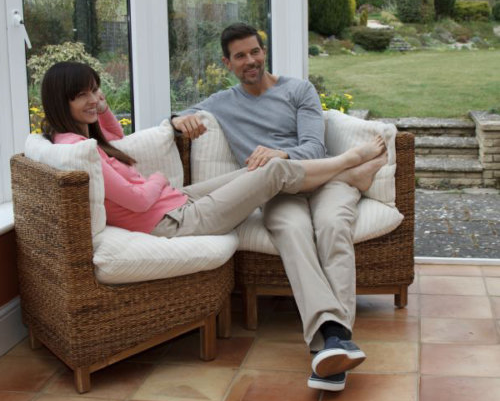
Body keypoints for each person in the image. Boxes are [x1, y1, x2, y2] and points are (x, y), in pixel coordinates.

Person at [171, 23, 387, 392]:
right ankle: (334, 342)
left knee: (333, 228)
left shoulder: (298, 89)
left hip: (320, 180)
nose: (250, 60)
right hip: (277, 194)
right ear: (228, 63)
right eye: (240, 56)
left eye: (254, 51)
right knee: (293, 231)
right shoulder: (222, 102)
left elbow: (315, 148)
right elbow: (181, 114)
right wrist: (178, 119)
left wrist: (281, 154)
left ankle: (331, 344)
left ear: (263, 50)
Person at [40, 62, 386, 290]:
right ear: (61, 100)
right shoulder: (80, 150)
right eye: (82, 94)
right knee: (275, 168)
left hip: (178, 201)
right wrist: (159, 179)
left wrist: (101, 106)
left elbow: (115, 139)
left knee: (260, 168)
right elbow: (138, 198)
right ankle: (348, 163)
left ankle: (348, 178)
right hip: (176, 220)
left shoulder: (79, 140)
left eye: (94, 90)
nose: (92, 99)